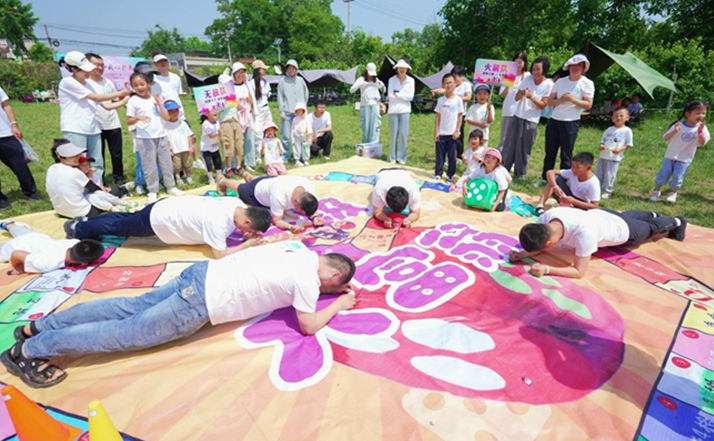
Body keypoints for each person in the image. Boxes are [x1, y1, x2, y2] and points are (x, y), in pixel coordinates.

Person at [1, 242, 356, 388]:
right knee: (127, 333)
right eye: (331, 287)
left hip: (199, 274)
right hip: (201, 300)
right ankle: (30, 353)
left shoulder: (296, 248)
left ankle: (38, 328)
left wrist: (327, 290)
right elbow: (308, 326)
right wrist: (337, 304)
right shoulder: (309, 281)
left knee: (129, 306)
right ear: (335, 278)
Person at [65, 194, 271, 259]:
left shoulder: (233, 204)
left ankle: (88, 222)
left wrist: (247, 235)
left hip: (167, 205)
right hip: (159, 219)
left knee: (125, 220)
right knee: (121, 226)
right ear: (246, 221)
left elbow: (236, 225)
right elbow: (221, 255)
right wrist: (249, 244)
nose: (247, 233)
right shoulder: (218, 223)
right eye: (250, 230)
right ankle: (78, 229)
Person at [511, 207, 687, 279]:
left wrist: (548, 269)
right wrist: (523, 254)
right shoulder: (547, 217)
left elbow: (579, 271)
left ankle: (677, 222)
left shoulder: (583, 234)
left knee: (650, 228)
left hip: (624, 232)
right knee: (629, 216)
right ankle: (652, 214)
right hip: (601, 214)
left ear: (549, 243)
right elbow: (540, 244)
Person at [59, 51, 130, 185]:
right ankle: (80, 189)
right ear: (73, 69)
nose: (88, 72)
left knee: (97, 163)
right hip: (75, 129)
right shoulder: (68, 82)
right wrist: (120, 92)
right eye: (85, 70)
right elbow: (96, 97)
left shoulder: (89, 85)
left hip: (93, 128)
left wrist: (125, 100)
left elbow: (106, 106)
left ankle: (98, 187)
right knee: (76, 162)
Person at [537, 54, 594, 185]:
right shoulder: (560, 81)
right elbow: (550, 101)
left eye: (579, 65)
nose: (575, 68)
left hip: (571, 121)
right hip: (554, 120)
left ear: (584, 67)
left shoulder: (587, 83)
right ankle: (545, 178)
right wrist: (562, 100)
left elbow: (588, 104)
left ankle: (563, 181)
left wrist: (573, 100)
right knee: (550, 151)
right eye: (573, 65)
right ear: (568, 67)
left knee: (566, 154)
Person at [126, 72, 182, 203]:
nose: (139, 88)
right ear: (132, 87)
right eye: (135, 85)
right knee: (149, 164)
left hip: (161, 135)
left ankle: (170, 186)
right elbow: (129, 121)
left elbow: (166, 117)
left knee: (166, 162)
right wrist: (138, 118)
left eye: (142, 84)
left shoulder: (155, 98)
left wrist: (159, 104)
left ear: (148, 84)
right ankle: (152, 190)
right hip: (145, 138)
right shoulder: (133, 101)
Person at [218, 174, 326, 232]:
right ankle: (223, 181)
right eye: (301, 211)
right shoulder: (279, 196)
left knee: (264, 181)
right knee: (240, 188)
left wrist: (314, 217)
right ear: (296, 201)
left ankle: (250, 177)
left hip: (272, 180)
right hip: (256, 192)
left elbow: (311, 206)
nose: (302, 213)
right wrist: (290, 227)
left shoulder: (309, 188)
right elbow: (277, 220)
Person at [504, 56, 554, 179]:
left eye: (538, 69)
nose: (535, 72)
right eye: (533, 69)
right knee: (509, 144)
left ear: (545, 70)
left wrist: (532, 97)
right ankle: (504, 169)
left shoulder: (548, 84)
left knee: (524, 147)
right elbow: (516, 98)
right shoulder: (527, 79)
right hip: (517, 115)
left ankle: (520, 173)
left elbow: (543, 105)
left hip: (531, 119)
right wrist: (521, 93)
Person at [650, 101, 710, 203]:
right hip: (670, 155)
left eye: (703, 113)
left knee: (678, 176)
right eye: (697, 113)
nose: (701, 116)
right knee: (664, 173)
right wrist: (675, 131)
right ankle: (656, 190)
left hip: (685, 158)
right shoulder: (678, 125)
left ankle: (673, 192)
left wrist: (700, 132)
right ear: (687, 114)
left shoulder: (701, 128)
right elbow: (665, 138)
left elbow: (703, 143)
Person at [0, 221, 104, 275]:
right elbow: (16, 254)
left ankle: (8, 225)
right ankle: (8, 226)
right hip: (14, 246)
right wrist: (16, 266)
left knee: (22, 232)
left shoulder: (74, 242)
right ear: (84, 263)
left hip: (37, 238)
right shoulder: (47, 263)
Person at [84, 53, 126, 185]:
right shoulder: (86, 84)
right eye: (97, 64)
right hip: (96, 125)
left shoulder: (108, 82)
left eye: (102, 65)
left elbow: (114, 100)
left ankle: (119, 177)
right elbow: (104, 103)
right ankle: (99, 180)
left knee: (117, 154)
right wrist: (125, 99)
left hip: (113, 123)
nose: (100, 67)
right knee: (97, 156)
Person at [46, 140, 118, 218]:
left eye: (77, 154)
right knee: (114, 190)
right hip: (83, 212)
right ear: (60, 157)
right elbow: (95, 189)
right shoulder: (74, 172)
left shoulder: (51, 169)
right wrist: (90, 174)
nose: (77, 158)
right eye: (72, 156)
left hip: (60, 211)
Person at [0, 85, 40, 210]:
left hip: (5, 133)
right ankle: (1, 201)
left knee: (19, 163)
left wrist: (14, 125)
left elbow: (6, 105)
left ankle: (31, 191)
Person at [220, 62, 257, 176]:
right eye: (238, 72)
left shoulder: (247, 86)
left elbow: (252, 101)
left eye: (242, 72)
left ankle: (248, 163)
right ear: (234, 74)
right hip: (233, 116)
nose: (240, 75)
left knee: (247, 140)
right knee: (232, 141)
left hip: (246, 115)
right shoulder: (228, 86)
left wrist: (248, 101)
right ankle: (232, 165)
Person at [535, 152, 600, 215]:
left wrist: (573, 201)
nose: (573, 169)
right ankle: (540, 205)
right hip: (567, 197)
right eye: (572, 166)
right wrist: (555, 187)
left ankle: (564, 210)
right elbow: (550, 172)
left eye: (577, 167)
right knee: (554, 179)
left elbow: (594, 206)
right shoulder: (572, 173)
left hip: (581, 206)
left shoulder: (593, 183)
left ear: (588, 168)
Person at [432, 65, 473, 158]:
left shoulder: (466, 85)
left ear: (462, 76)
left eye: (456, 76)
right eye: (453, 76)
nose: (455, 79)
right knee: (447, 135)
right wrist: (435, 91)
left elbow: (468, 97)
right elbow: (442, 89)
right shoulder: (450, 85)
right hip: (448, 114)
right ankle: (448, 154)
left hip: (459, 114)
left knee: (458, 134)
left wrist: (455, 98)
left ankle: (459, 154)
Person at [596, 107, 633, 199]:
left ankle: (608, 191)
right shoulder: (609, 129)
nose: (618, 118)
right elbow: (603, 140)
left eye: (621, 116)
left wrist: (620, 149)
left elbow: (628, 144)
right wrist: (601, 146)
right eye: (616, 116)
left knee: (610, 175)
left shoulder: (627, 130)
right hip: (603, 155)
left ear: (627, 118)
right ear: (612, 118)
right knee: (598, 173)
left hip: (614, 157)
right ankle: (597, 189)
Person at [433, 73, 464, 184]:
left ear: (455, 84)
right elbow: (437, 117)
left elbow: (460, 116)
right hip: (442, 133)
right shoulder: (441, 100)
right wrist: (436, 131)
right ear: (443, 85)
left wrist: (457, 131)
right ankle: (438, 173)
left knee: (452, 156)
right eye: (446, 83)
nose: (449, 85)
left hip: (452, 134)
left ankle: (450, 175)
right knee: (440, 155)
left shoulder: (458, 100)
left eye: (451, 82)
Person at [278, 59, 309, 163]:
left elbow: (306, 94)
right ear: (287, 69)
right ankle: (285, 155)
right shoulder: (282, 81)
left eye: (293, 68)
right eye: (289, 68)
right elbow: (280, 97)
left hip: (299, 114)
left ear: (296, 69)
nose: (291, 70)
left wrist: (304, 107)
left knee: (300, 135)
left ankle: (299, 155)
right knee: (286, 136)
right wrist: (282, 111)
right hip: (287, 113)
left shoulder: (300, 80)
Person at [497, 52, 530, 151]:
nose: (518, 65)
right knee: (504, 137)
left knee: (517, 138)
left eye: (520, 62)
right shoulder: (508, 75)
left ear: (525, 63)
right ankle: (501, 158)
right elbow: (502, 95)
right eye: (516, 63)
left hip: (522, 112)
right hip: (508, 110)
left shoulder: (528, 76)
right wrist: (509, 83)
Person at [387, 59, 415, 164]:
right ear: (397, 69)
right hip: (393, 110)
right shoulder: (391, 80)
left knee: (403, 134)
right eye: (400, 68)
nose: (402, 70)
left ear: (407, 69)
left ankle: (402, 157)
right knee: (393, 134)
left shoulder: (411, 81)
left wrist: (398, 95)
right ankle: (392, 157)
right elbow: (390, 95)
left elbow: (410, 97)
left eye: (404, 68)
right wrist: (400, 96)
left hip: (405, 110)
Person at [350, 62, 385, 144]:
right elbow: (351, 90)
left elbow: (384, 90)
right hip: (365, 105)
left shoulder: (376, 80)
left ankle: (374, 143)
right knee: (366, 125)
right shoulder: (361, 79)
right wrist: (361, 84)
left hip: (375, 105)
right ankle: (365, 143)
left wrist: (381, 85)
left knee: (375, 125)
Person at [163, 100, 194, 186]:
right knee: (177, 166)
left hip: (185, 148)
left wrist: (190, 147)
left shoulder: (182, 123)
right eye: (171, 111)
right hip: (175, 150)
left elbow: (188, 135)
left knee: (187, 164)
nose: (174, 113)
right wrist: (169, 150)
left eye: (176, 110)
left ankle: (188, 176)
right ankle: (178, 178)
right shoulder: (166, 125)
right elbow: (167, 139)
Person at [249, 60, 273, 158]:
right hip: (257, 111)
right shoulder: (251, 83)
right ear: (258, 70)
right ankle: (257, 155)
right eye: (263, 69)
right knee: (258, 134)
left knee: (269, 130)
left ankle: (270, 152)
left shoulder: (266, 82)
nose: (265, 71)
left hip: (266, 109)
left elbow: (268, 95)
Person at [152, 54, 184, 119]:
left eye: (165, 61)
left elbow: (177, 94)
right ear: (155, 64)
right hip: (161, 114)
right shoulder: (152, 78)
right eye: (160, 61)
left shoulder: (176, 77)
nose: (163, 63)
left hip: (177, 113)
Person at [201, 110, 222, 185]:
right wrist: (219, 133)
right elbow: (210, 135)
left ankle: (219, 177)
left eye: (215, 111)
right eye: (212, 111)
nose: (215, 112)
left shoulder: (218, 123)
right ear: (206, 114)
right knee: (208, 164)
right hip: (206, 147)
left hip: (215, 146)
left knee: (218, 162)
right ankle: (210, 179)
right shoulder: (205, 124)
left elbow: (219, 134)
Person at [291, 102, 312, 166]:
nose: (299, 112)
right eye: (297, 110)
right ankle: (297, 160)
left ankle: (306, 159)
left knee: (306, 147)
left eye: (300, 110)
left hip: (305, 136)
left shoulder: (306, 118)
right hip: (297, 136)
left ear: (303, 110)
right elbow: (292, 128)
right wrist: (292, 136)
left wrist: (309, 136)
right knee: (296, 147)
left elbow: (309, 127)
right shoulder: (294, 119)